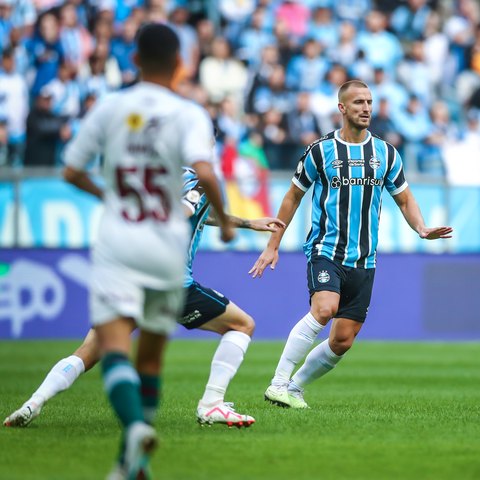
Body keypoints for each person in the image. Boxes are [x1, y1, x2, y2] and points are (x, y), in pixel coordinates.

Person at [59, 24, 234, 480]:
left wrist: (111, 198)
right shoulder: (191, 114)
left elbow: (72, 171)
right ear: (180, 64)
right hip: (166, 252)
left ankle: (134, 426)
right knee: (151, 359)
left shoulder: (110, 107)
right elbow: (207, 176)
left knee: (114, 348)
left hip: (120, 243)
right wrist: (229, 222)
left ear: (134, 61)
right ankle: (132, 464)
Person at [3, 166, 285, 431]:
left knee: (90, 349)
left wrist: (247, 223)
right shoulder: (199, 178)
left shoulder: (153, 172)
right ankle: (211, 404)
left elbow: (197, 212)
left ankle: (33, 403)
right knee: (242, 325)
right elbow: (184, 211)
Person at [249, 80, 453, 409]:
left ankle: (295, 387)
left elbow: (404, 199)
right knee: (324, 309)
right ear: (342, 108)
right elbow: (292, 197)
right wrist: (273, 244)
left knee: (343, 340)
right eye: (358, 102)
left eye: (369, 102)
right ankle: (277, 383)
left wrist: (421, 228)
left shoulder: (385, 153)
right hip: (326, 250)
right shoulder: (320, 150)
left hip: (364, 259)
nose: (366, 108)